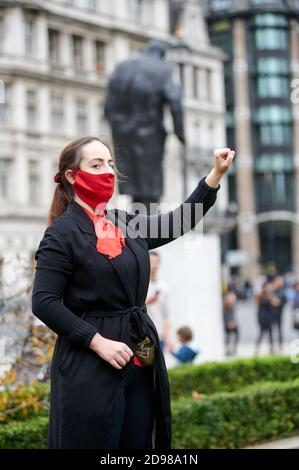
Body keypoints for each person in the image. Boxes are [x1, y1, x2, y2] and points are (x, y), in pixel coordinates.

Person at [31, 136, 234, 449]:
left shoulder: (125, 222)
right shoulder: (61, 234)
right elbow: (44, 302)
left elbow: (178, 221)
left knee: (140, 441)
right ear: (72, 176)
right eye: (96, 165)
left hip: (140, 356)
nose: (108, 172)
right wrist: (97, 342)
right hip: (91, 363)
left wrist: (215, 175)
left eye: (110, 164)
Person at [145, 251, 173, 353]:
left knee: (158, 367)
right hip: (144, 335)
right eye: (151, 262)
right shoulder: (141, 286)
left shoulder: (164, 288)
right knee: (145, 366)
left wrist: (169, 338)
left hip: (159, 335)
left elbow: (167, 315)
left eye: (156, 262)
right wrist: (147, 302)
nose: (154, 266)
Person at [255, 282, 279, 355]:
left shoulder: (270, 296)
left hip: (269, 317)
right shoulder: (261, 296)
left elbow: (276, 303)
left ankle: (271, 349)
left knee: (270, 333)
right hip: (263, 317)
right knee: (262, 333)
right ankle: (257, 349)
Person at [222, 290, 239, 356]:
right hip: (227, 323)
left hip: (232, 322)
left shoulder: (232, 306)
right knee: (228, 336)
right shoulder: (226, 305)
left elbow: (233, 315)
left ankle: (234, 349)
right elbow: (225, 316)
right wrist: (228, 322)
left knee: (236, 335)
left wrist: (233, 322)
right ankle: (227, 350)